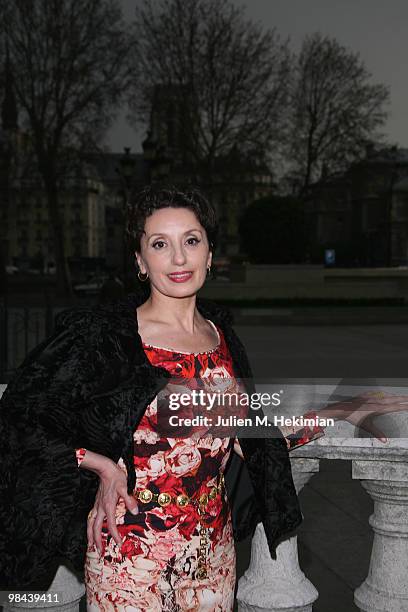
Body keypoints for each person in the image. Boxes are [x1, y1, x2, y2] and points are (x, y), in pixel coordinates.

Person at [0, 186, 405, 610]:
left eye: (191, 241)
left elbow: (253, 436)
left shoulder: (221, 340)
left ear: (210, 253)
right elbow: (19, 417)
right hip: (128, 557)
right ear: (140, 261)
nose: (178, 258)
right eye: (160, 244)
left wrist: (342, 411)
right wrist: (97, 462)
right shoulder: (104, 337)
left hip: (213, 555)